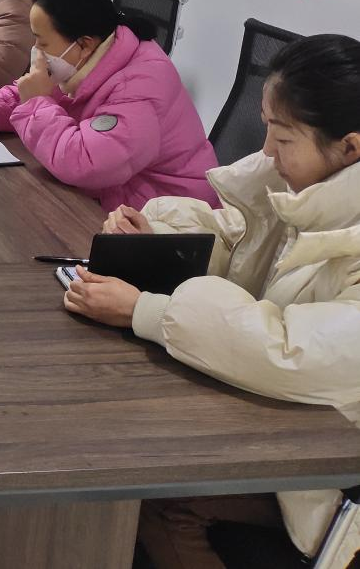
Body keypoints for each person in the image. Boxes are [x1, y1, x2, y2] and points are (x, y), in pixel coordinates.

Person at [62, 34, 360, 568]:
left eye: (282, 136)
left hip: (329, 470)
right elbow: (239, 239)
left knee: (164, 498)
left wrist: (145, 310)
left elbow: (290, 352)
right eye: (266, 128)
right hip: (274, 417)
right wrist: (158, 238)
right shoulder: (308, 188)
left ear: (350, 148)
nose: (266, 150)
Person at [0, 0, 218, 210]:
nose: (36, 52)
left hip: (169, 221)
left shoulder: (141, 85)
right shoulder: (88, 58)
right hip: (116, 199)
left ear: (84, 43)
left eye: (42, 42)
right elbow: (25, 92)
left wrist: (37, 103)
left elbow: (87, 162)